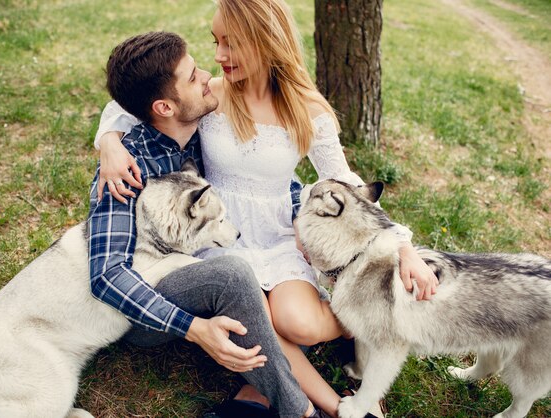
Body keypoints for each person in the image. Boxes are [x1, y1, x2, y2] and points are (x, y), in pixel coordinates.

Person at [94, 1, 439, 416]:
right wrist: (108, 143)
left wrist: (404, 249)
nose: (218, 56)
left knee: (297, 323)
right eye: (215, 41)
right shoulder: (212, 96)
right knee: (258, 315)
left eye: (231, 43)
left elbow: (345, 182)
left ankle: (362, 321)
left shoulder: (306, 109)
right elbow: (133, 101)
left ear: (265, 42)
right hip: (219, 235)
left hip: (278, 232)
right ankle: (336, 408)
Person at [89, 31, 332, 418]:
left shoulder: (201, 128)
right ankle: (302, 409)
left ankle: (254, 398)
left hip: (203, 264)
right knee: (234, 276)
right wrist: (192, 328)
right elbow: (105, 276)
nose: (207, 74)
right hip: (141, 311)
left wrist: (299, 208)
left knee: (266, 300)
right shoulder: (126, 169)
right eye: (192, 76)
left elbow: (258, 175)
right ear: (165, 107)